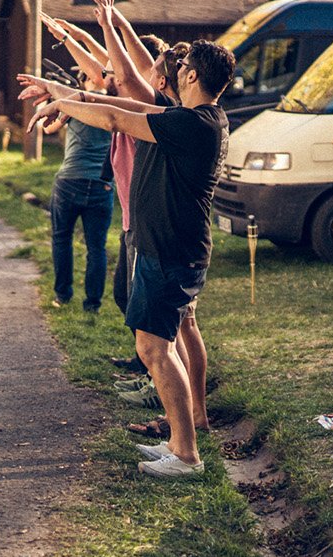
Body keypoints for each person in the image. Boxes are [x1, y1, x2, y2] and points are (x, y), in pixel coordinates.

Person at [20, 38, 235, 478]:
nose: (176, 67)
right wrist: (70, 95)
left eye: (184, 64)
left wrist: (64, 99)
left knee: (155, 347)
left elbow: (118, 117)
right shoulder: (190, 118)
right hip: (167, 248)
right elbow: (125, 105)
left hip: (173, 252)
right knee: (157, 344)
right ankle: (178, 441)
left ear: (192, 76)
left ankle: (187, 455)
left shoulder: (196, 125)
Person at [44, 68, 115, 311]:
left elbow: (48, 128)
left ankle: (62, 295)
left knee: (61, 238)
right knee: (97, 247)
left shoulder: (76, 104)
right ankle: (92, 304)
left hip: (70, 181)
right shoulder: (117, 105)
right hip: (101, 184)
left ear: (84, 81)